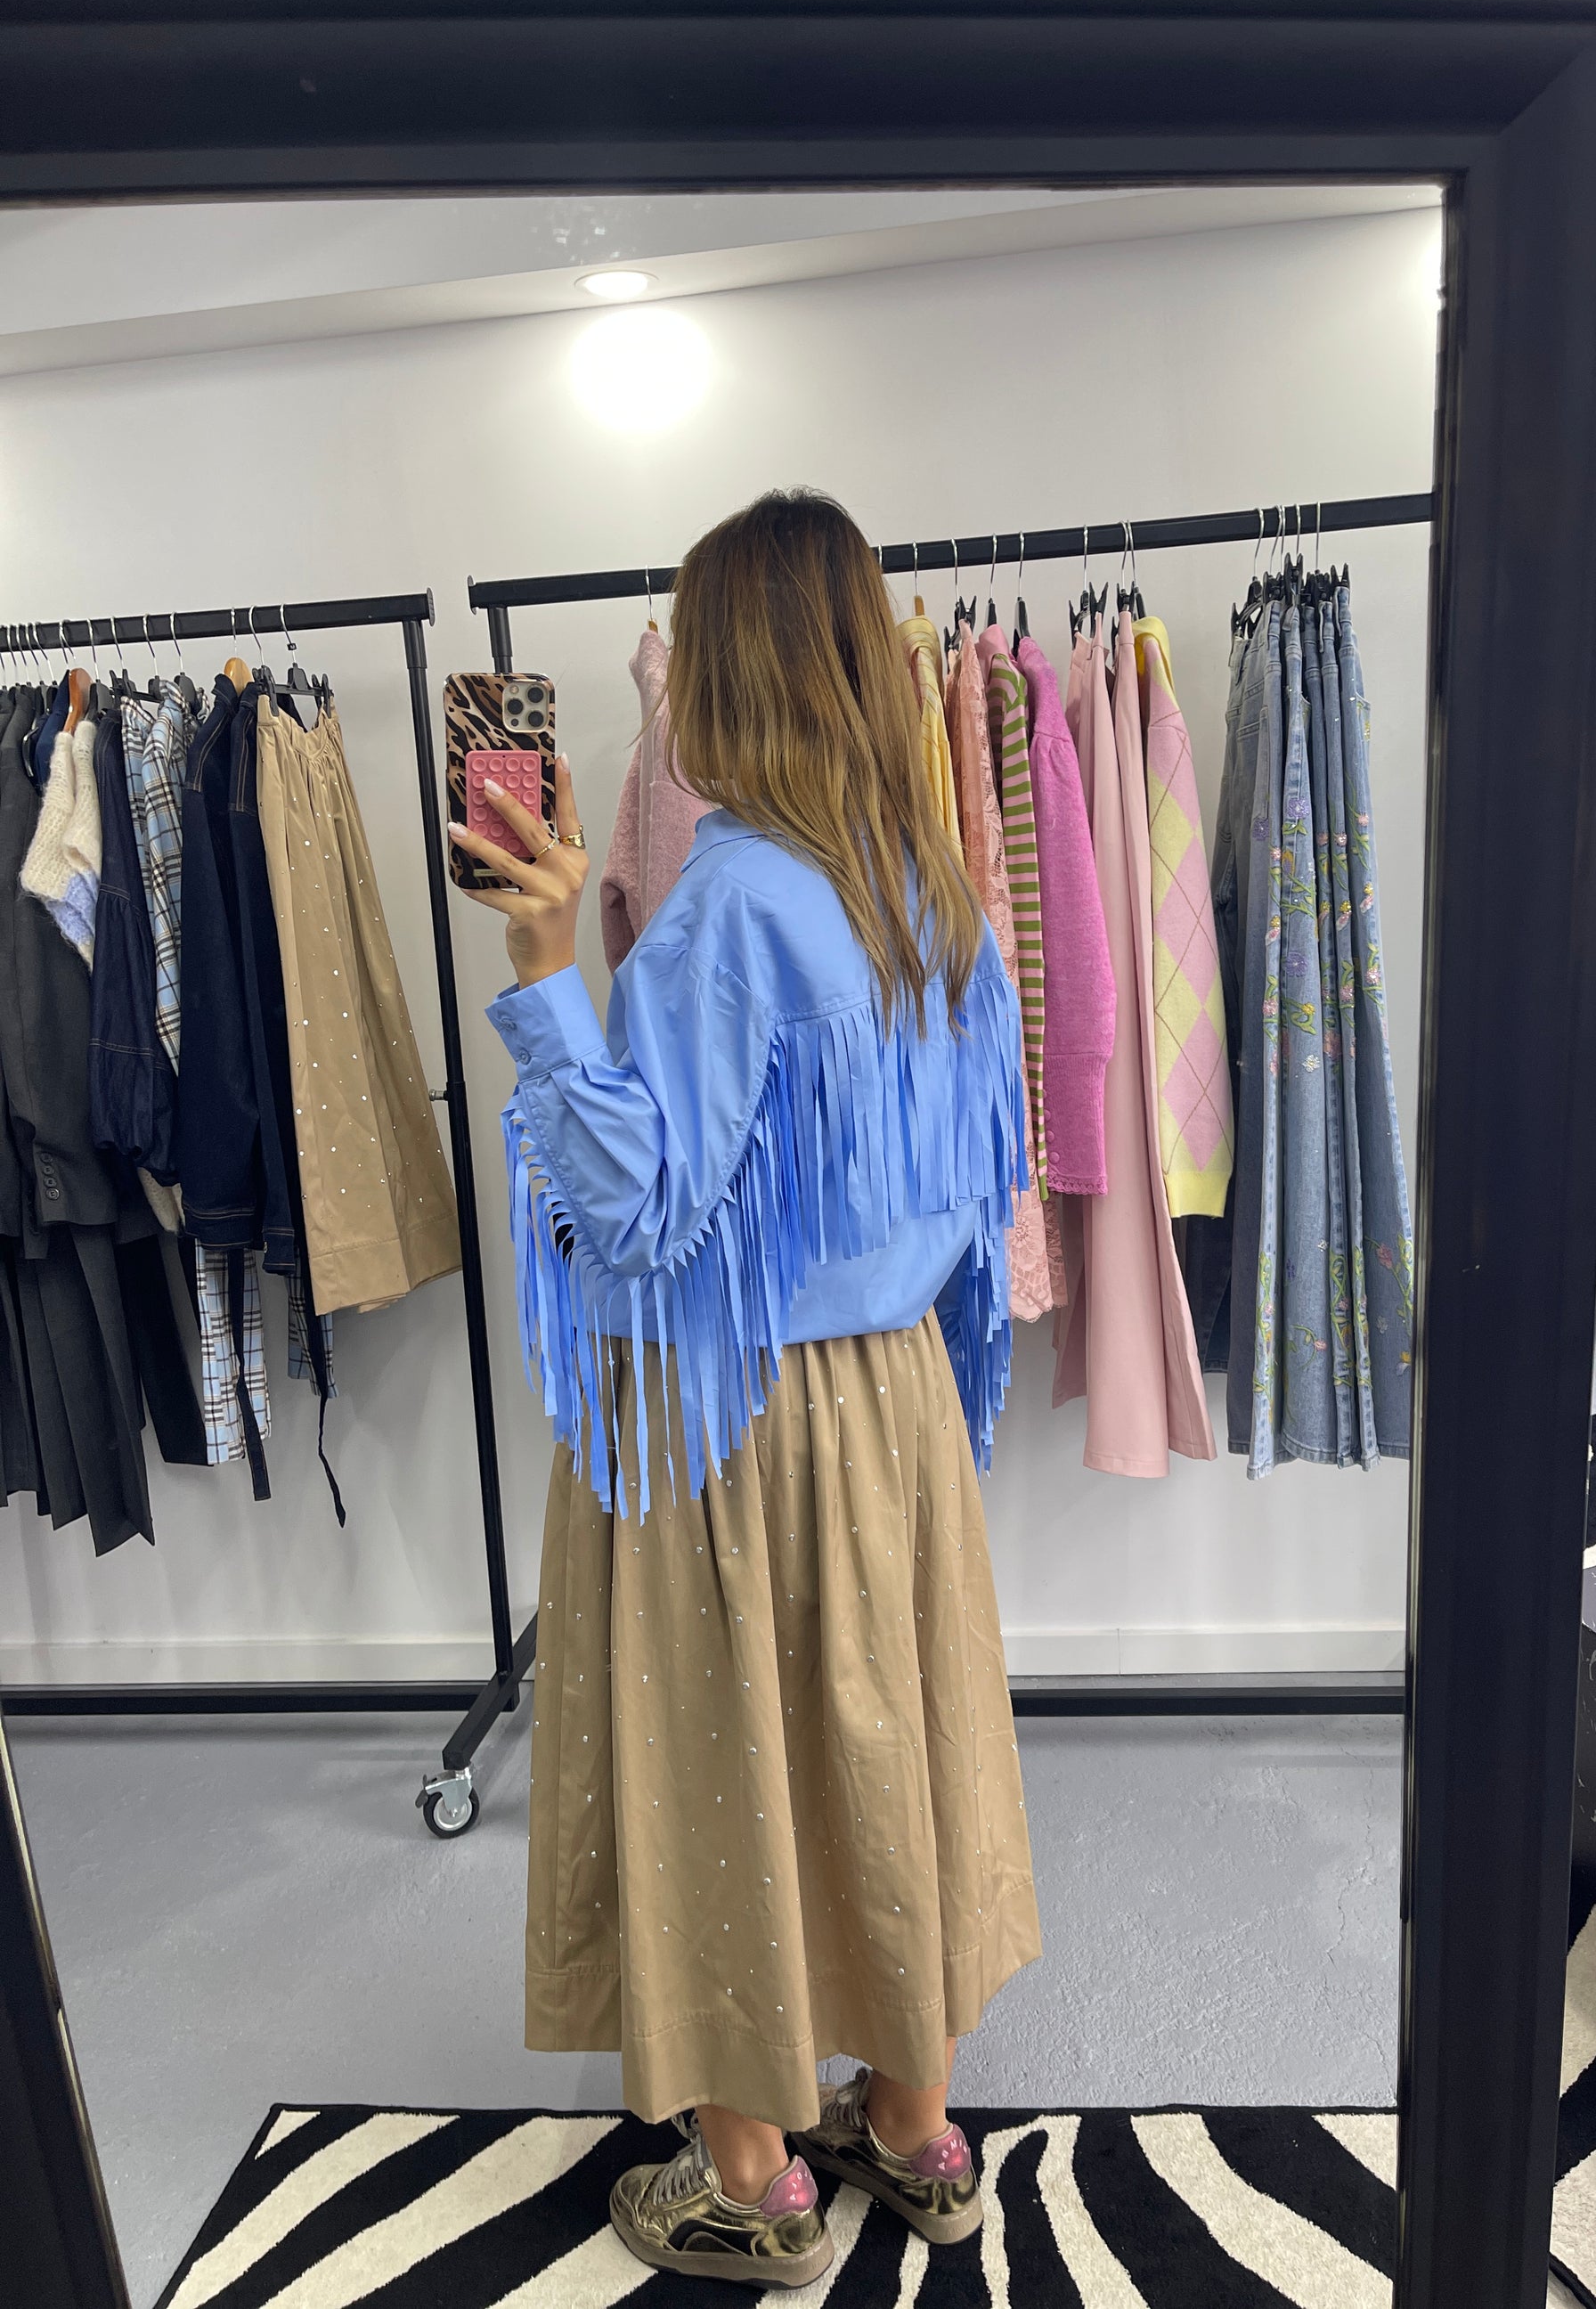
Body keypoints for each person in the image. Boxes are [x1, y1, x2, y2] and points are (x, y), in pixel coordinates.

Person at [452, 489, 1042, 2288]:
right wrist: (938, 1400)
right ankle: (920, 2136)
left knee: (725, 1770)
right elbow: (975, 1189)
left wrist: (546, 975)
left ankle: (750, 2184)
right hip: (893, 1407)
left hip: (727, 1418)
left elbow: (636, 1220)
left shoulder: (729, 907)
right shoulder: (936, 888)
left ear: (728, 672)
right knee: (883, 1741)